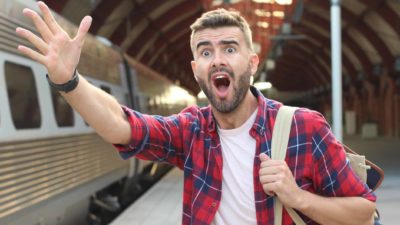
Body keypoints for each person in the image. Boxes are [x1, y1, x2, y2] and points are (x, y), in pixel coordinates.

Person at [16, 2, 376, 225]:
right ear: (195, 69)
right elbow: (123, 126)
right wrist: (68, 82)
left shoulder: (304, 127)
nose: (217, 58)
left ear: (252, 62)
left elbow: (363, 212)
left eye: (229, 48)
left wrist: (299, 198)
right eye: (205, 52)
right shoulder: (191, 130)